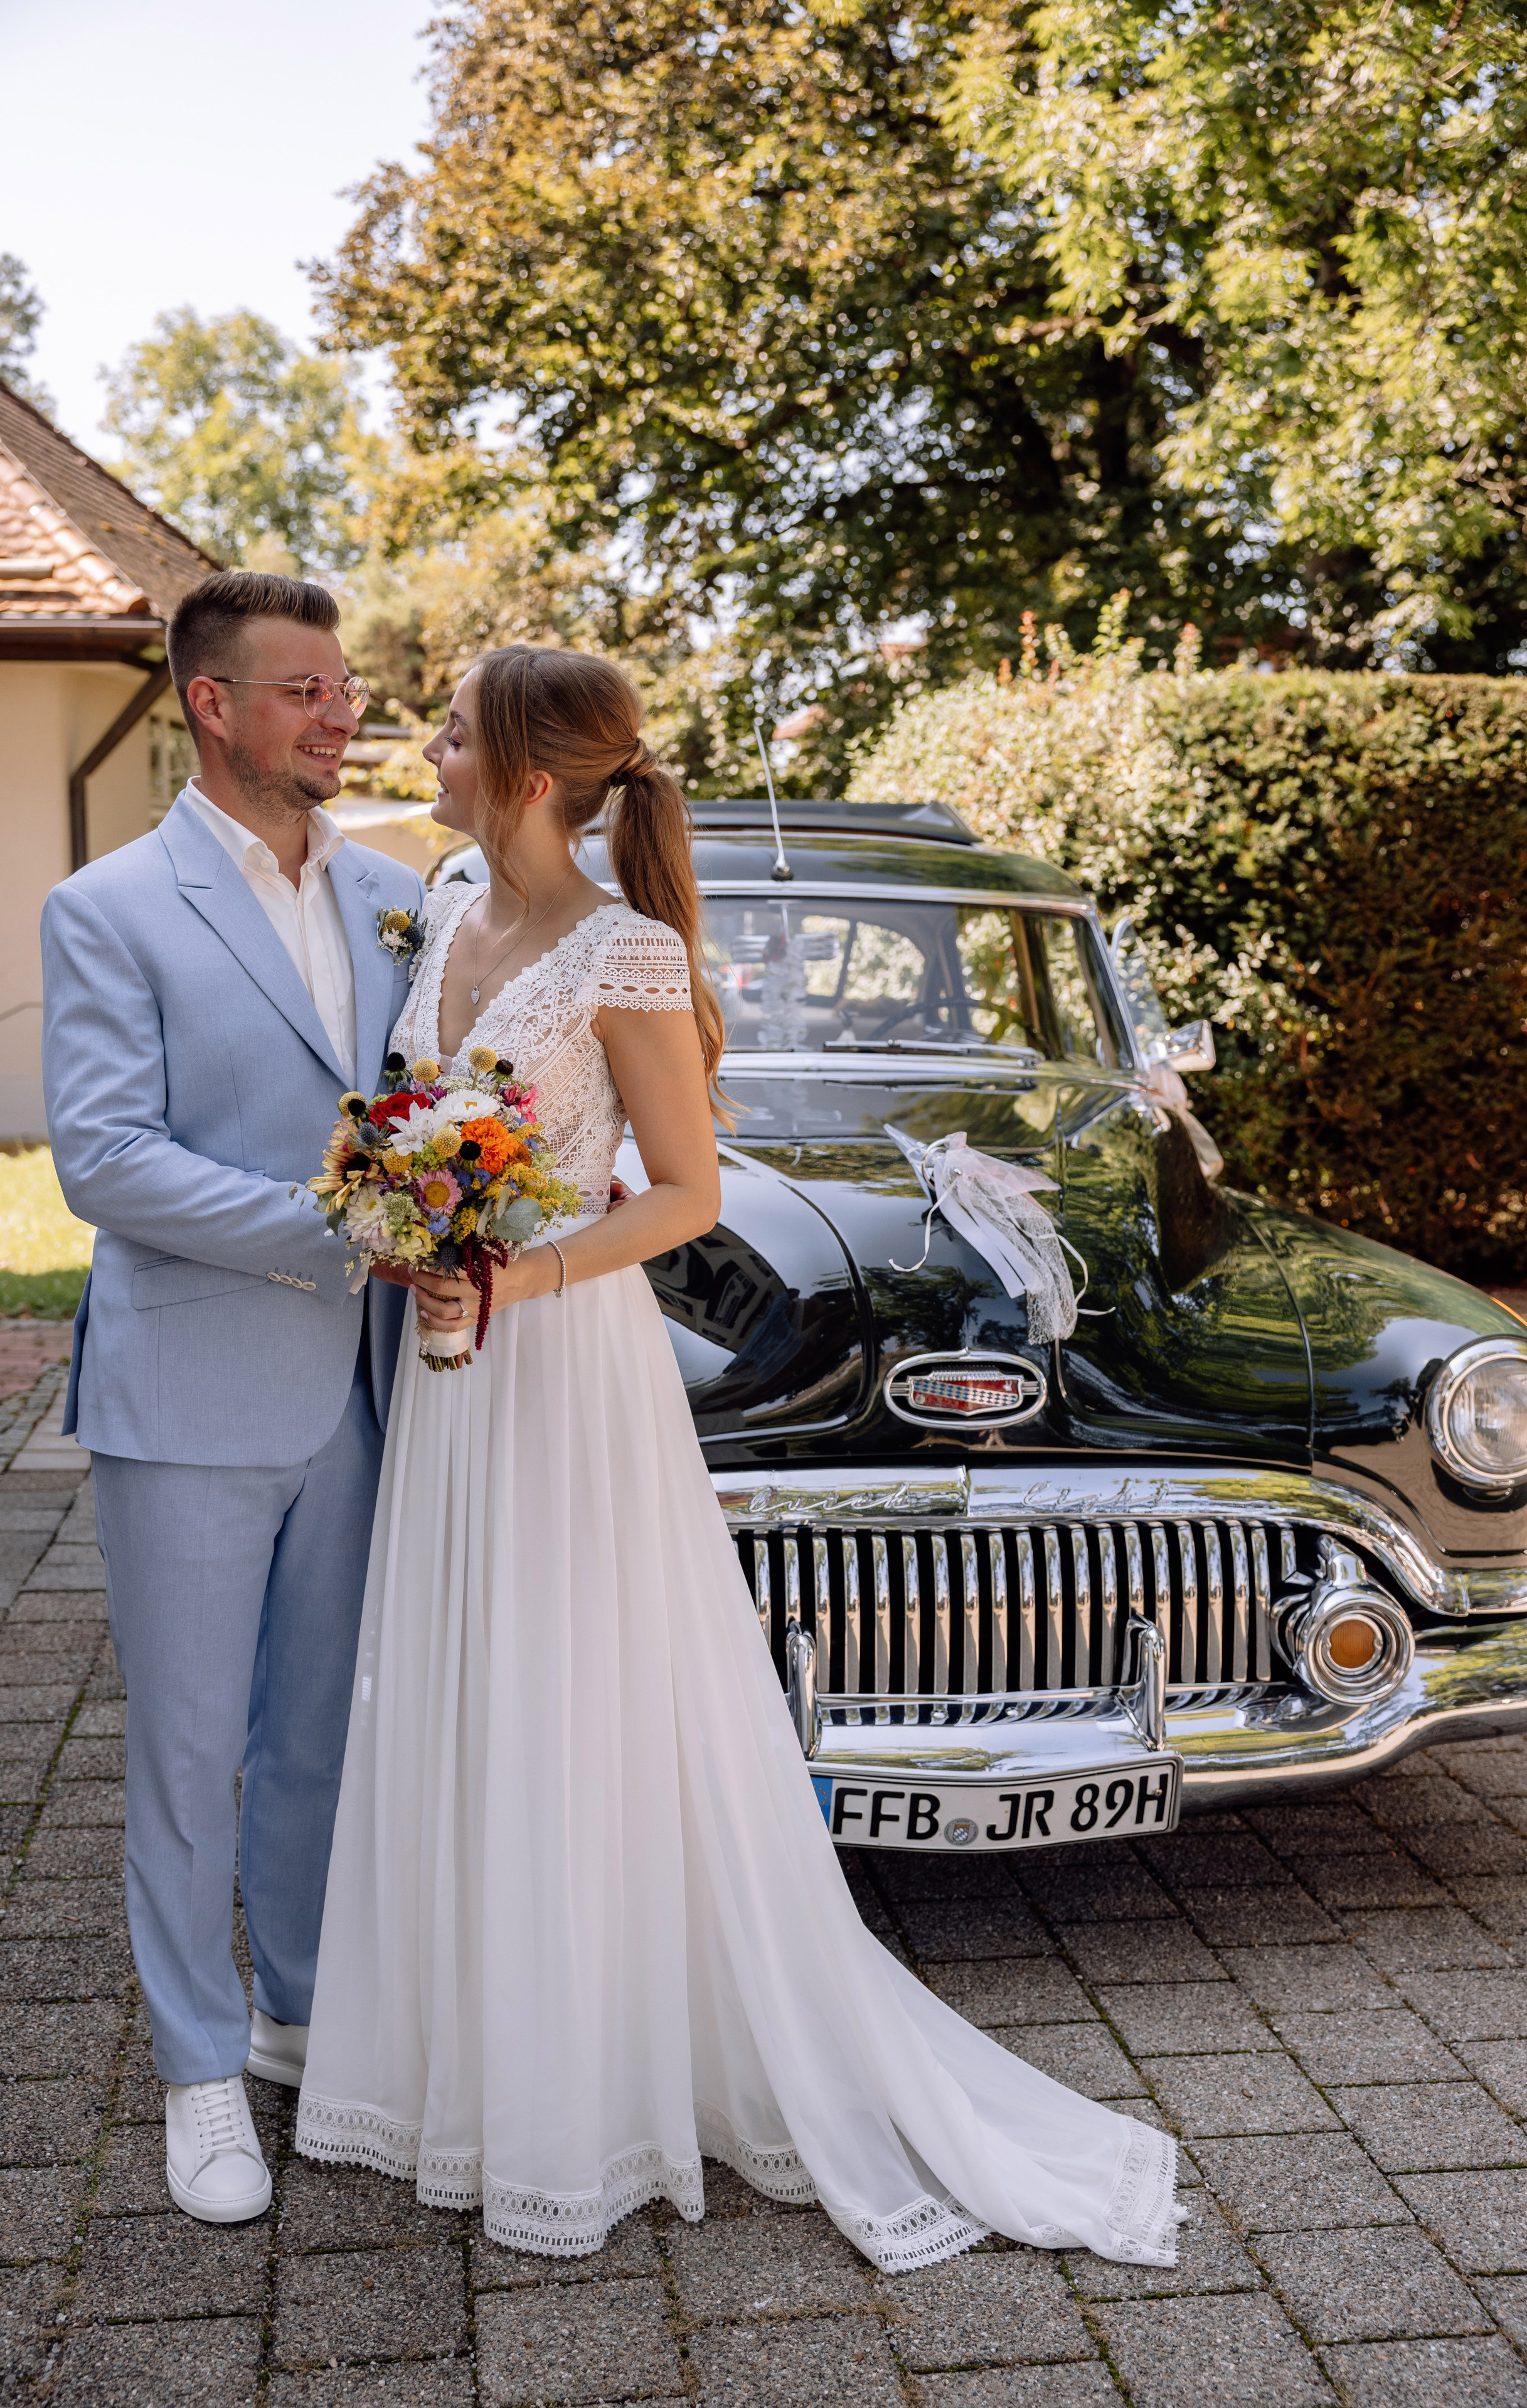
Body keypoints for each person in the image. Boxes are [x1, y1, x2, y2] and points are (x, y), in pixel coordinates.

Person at [295, 645, 1183, 2272]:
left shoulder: (625, 952)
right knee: (461, 1675)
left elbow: (686, 1194)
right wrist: (400, 1215)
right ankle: (464, 2058)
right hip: (452, 1368)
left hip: (561, 1360)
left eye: (452, 732)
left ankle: (584, 2086)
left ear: (531, 777)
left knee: (570, 1690)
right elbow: (417, 1115)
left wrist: (515, 1275)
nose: (425, 750)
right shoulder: (448, 904)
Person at [41, 572, 427, 2224]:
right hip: (192, 1384)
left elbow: (441, 1101)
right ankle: (199, 2072)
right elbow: (106, 1160)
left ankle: (302, 2016)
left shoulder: (400, 896)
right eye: (306, 690)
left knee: (321, 1734)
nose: (342, 712)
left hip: (370, 1389)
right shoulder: (109, 908)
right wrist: (341, 1230)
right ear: (214, 705)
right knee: (192, 1754)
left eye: (344, 688)